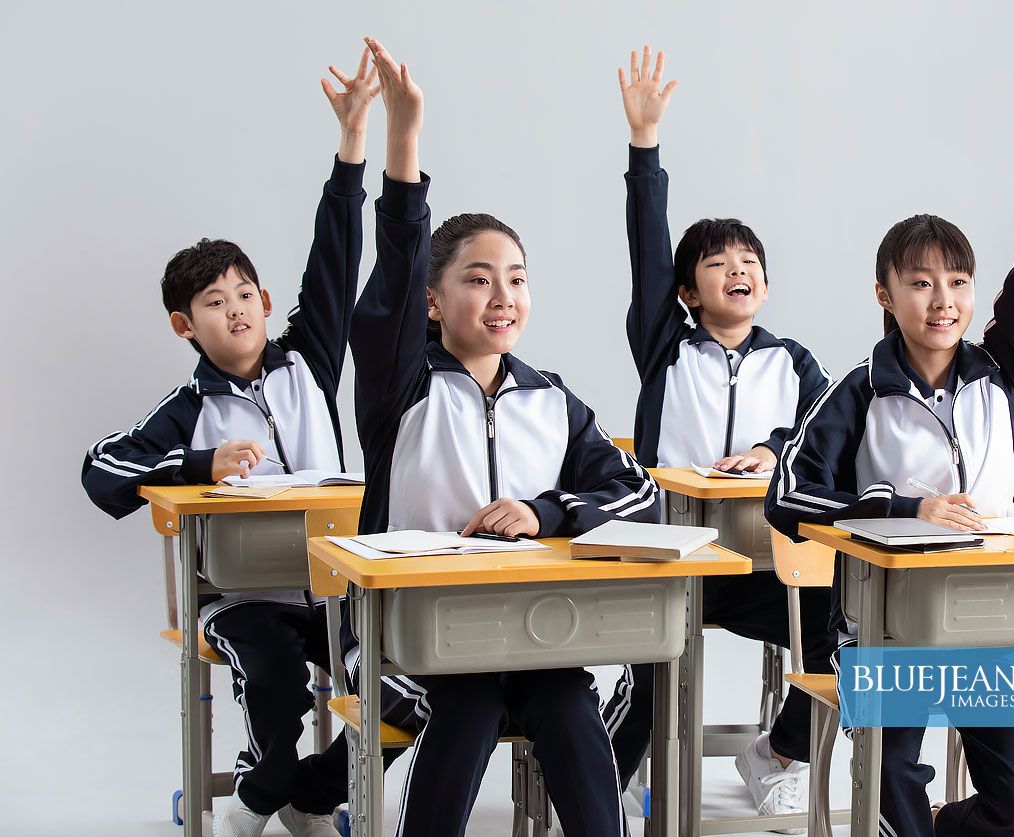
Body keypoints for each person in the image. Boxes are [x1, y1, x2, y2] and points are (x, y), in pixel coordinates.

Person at [766, 21, 1014, 837]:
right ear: (884, 295)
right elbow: (788, 495)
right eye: (919, 282)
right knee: (891, 782)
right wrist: (904, 506)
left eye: (956, 280)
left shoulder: (1003, 376)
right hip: (881, 628)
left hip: (986, 618)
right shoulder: (855, 392)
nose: (941, 298)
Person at [346, 36, 660, 837]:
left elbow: (638, 492)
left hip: (534, 628)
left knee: (567, 701)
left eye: (516, 278)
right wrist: (403, 143)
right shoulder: (400, 384)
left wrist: (545, 511)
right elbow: (390, 273)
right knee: (468, 701)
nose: (502, 296)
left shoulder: (550, 399)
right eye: (477, 279)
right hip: (416, 640)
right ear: (431, 302)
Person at [81, 46, 382, 837]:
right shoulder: (188, 407)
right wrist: (195, 465)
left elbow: (337, 257)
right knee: (277, 688)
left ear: (267, 299)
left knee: (398, 678)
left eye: (245, 293)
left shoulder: (309, 361)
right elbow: (100, 469)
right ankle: (263, 786)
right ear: (186, 325)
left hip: (333, 587)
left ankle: (300, 792)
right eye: (214, 302)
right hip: (241, 600)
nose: (236, 310)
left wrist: (352, 144)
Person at [599, 45, 835, 828]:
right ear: (685, 289)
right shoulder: (665, 346)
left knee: (841, 629)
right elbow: (642, 247)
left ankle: (776, 752)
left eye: (748, 260)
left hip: (763, 562)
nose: (737, 269)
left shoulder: (795, 361)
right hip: (671, 559)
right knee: (652, 668)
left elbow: (827, 435)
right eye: (716, 261)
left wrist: (773, 448)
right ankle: (602, 780)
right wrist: (645, 150)